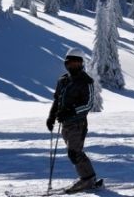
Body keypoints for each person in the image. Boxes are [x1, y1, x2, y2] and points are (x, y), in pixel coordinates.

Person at [46, 48, 97, 193]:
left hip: (78, 124)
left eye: (75, 63)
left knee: (74, 152)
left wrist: (70, 111)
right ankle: (88, 177)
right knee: (74, 152)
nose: (71, 66)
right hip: (66, 124)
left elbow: (88, 105)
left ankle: (88, 178)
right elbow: (57, 100)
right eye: (69, 63)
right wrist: (51, 116)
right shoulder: (63, 80)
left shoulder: (86, 81)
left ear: (81, 64)